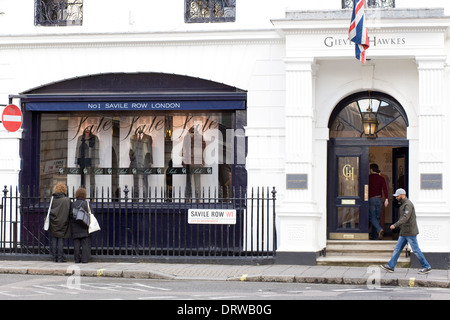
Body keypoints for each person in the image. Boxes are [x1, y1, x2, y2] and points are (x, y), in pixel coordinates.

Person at [380, 188, 432, 274]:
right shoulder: (403, 204)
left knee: (415, 250)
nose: (396, 197)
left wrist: (395, 225)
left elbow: (405, 218)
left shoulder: (408, 204)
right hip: (404, 232)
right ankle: (391, 266)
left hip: (410, 232)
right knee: (397, 249)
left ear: (403, 195)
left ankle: (426, 266)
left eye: (397, 196)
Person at [49, 183, 71, 263]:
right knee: (61, 239)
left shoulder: (52, 199)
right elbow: (70, 211)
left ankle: (54, 257)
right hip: (63, 221)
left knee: (54, 238)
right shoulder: (67, 200)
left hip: (53, 221)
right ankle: (60, 258)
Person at [71, 187, 92, 263]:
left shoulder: (73, 204)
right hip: (84, 226)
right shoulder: (86, 203)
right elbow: (91, 214)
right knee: (85, 243)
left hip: (75, 226)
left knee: (76, 244)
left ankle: (76, 259)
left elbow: (70, 215)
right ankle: (85, 259)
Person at [369, 163, 388, 240]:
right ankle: (375, 237)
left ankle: (380, 229)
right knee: (376, 218)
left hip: (372, 199)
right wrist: (386, 199)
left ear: (371, 169)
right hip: (379, 199)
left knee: (372, 217)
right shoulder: (381, 178)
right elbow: (385, 189)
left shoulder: (368, 178)